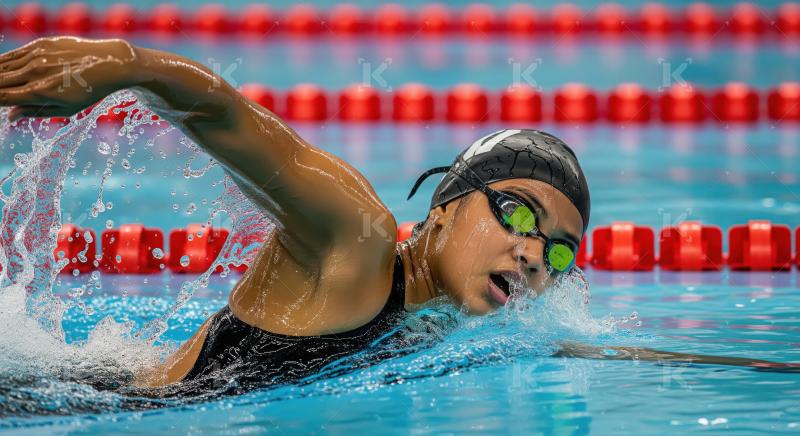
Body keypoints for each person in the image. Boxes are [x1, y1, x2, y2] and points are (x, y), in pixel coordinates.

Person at [0, 37, 795, 397]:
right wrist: (124, 65)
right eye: (517, 212)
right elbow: (231, 117)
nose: (531, 252)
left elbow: (579, 346)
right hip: (70, 399)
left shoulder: (449, 313)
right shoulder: (356, 238)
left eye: (557, 250)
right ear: (444, 213)